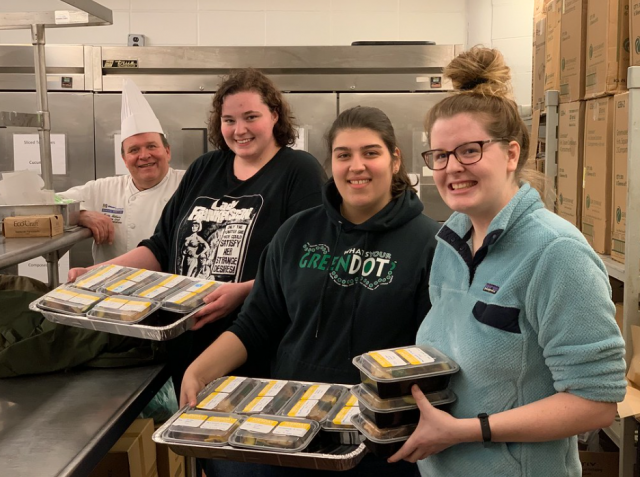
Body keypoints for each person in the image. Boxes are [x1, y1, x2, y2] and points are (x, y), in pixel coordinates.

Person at [388, 46, 627, 477]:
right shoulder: (449, 241)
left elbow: (595, 403)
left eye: (470, 150)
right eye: (439, 155)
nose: (451, 168)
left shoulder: (556, 253)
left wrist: (465, 430)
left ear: (512, 154)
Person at [181, 106, 440, 477]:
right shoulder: (295, 233)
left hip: (377, 441)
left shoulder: (428, 244)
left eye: (371, 153)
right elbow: (257, 322)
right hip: (287, 425)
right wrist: (200, 370)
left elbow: (431, 357)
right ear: (330, 163)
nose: (357, 166)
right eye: (343, 155)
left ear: (395, 160)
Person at [68, 68, 327, 388]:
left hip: (255, 343)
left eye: (250, 117)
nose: (239, 129)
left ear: (274, 115)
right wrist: (97, 274)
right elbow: (161, 247)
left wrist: (243, 292)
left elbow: (309, 262)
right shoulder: (206, 168)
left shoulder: (298, 171)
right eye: (229, 120)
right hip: (187, 336)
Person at [59, 79, 185, 264]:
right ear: (124, 160)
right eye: (134, 150)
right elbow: (49, 203)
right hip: (112, 286)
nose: (144, 155)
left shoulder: (190, 183)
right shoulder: (104, 189)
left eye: (151, 146)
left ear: (167, 151)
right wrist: (80, 214)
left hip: (172, 286)